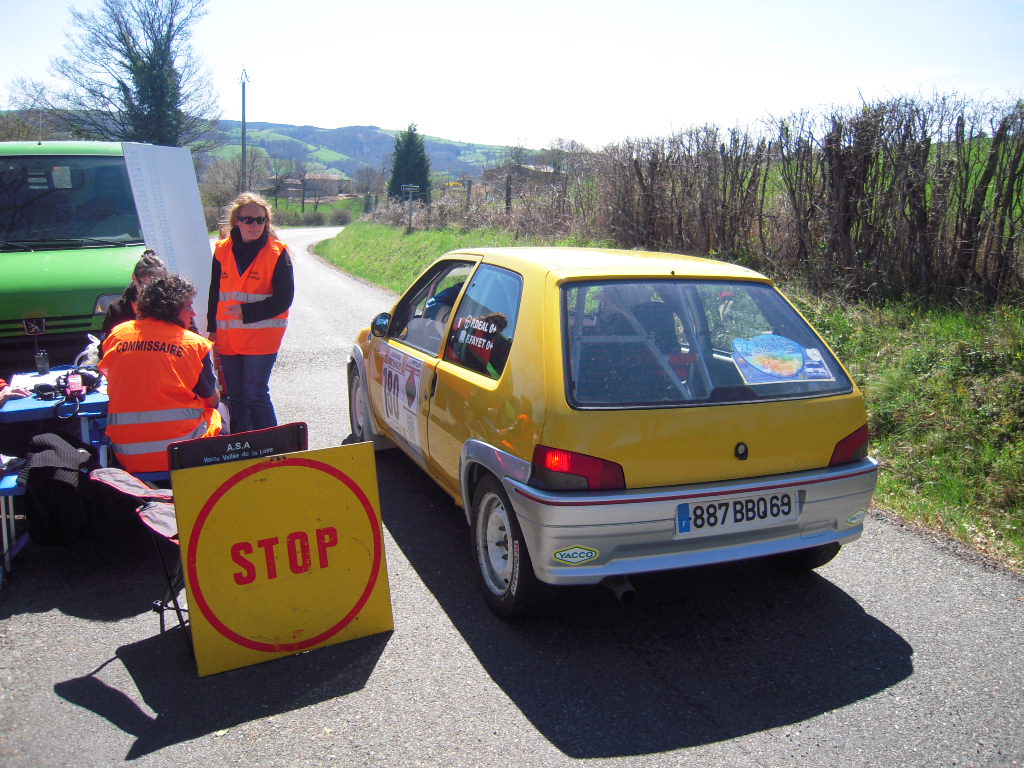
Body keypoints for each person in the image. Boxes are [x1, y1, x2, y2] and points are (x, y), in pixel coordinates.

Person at [98, 274, 222, 473]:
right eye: (188, 306)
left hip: (128, 455)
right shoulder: (194, 344)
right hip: (180, 454)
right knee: (221, 411)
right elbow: (211, 400)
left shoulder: (118, 335)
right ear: (173, 308)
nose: (193, 313)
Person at [207, 192, 294, 434]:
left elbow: (284, 299)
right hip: (228, 339)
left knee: (255, 393)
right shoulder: (222, 250)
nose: (254, 225)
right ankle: (243, 451)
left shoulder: (277, 252)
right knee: (236, 397)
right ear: (236, 221)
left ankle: (273, 449)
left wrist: (247, 312)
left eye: (260, 220)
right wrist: (212, 328)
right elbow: (215, 291)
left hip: (261, 338)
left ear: (267, 222)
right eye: (248, 220)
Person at [101, 249, 169, 338]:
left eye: (157, 286)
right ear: (134, 278)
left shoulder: (174, 306)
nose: (151, 292)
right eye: (145, 286)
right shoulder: (118, 308)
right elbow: (106, 344)